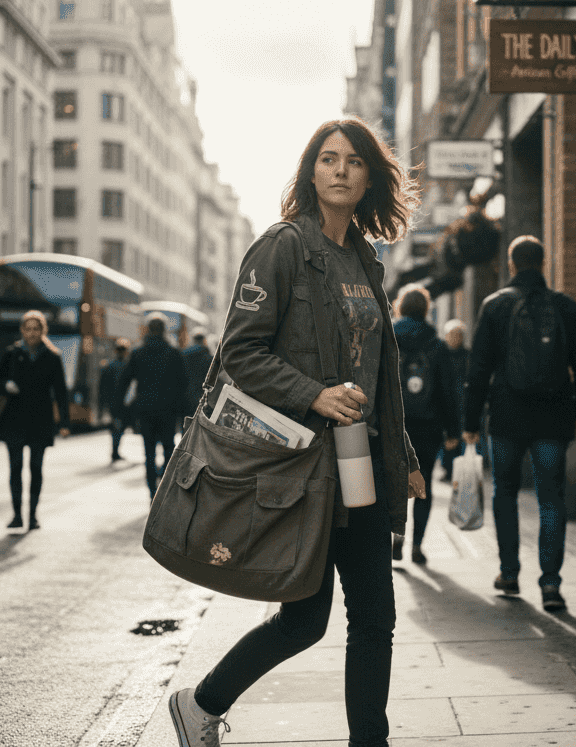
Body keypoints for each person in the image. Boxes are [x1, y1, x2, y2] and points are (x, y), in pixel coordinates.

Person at [167, 117, 426, 747]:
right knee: (305, 621)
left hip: (360, 463)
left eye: (354, 161)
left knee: (374, 619)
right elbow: (240, 354)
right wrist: (314, 393)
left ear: (370, 177)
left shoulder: (365, 259)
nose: (340, 170)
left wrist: (406, 458)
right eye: (328, 159)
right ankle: (200, 703)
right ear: (311, 172)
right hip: (302, 468)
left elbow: (380, 370)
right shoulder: (282, 246)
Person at [462, 235, 576, 612]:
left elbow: (478, 369)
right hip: (554, 417)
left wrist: (470, 421)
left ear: (511, 264)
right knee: (551, 499)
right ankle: (551, 585)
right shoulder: (564, 306)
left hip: (506, 416)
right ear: (542, 264)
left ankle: (509, 573)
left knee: (504, 493)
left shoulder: (495, 306)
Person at [391, 286, 460, 565]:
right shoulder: (437, 344)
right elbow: (449, 391)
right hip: (429, 425)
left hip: (395, 424)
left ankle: (397, 539)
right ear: (426, 309)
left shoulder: (388, 337)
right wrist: (454, 430)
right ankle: (417, 545)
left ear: (400, 307)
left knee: (394, 484)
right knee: (423, 484)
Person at [0, 310, 71, 530]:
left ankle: (32, 515)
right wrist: (6, 385)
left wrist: (64, 423)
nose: (32, 333)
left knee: (36, 467)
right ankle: (17, 515)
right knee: (15, 467)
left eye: (36, 328)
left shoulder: (52, 356)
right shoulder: (12, 354)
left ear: (43, 331)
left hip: (40, 420)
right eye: (28, 328)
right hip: (14, 419)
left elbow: (61, 391)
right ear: (22, 330)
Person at [118, 313, 187, 497]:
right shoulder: (174, 353)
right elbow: (183, 384)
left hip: (145, 410)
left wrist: (125, 408)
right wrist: (182, 412)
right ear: (164, 330)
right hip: (168, 411)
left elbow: (124, 380)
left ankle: (151, 492)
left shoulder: (137, 352)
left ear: (148, 330)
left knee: (148, 454)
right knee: (168, 450)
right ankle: (164, 492)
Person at [438, 318, 469, 481]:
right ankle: (447, 469)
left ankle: (461, 470)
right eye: (452, 334)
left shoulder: (468, 356)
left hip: (463, 402)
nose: (455, 338)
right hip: (445, 402)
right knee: (446, 438)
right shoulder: (440, 354)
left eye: (458, 335)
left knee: (461, 437)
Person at [97, 338, 131, 463]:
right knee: (120, 429)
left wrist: (103, 406)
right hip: (125, 403)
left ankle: (115, 452)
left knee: (116, 429)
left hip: (112, 403)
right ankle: (115, 452)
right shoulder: (128, 366)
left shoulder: (108, 367)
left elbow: (102, 389)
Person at [181, 332, 213, 418]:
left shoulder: (183, 355)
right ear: (204, 340)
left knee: (186, 425)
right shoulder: (210, 358)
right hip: (203, 397)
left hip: (186, 396)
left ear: (193, 340)